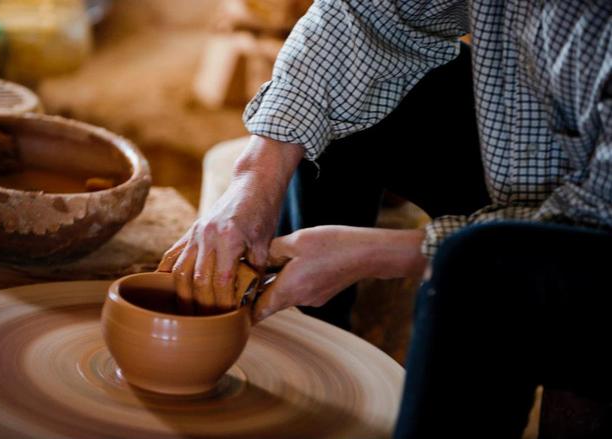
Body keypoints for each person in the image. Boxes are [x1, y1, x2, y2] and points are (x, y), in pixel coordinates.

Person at [159, 1, 612, 436]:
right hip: (534, 131)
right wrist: (253, 177)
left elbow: (597, 212)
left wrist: (374, 254)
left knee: (476, 271)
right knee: (346, 100)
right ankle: (309, 360)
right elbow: (364, 15)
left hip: (598, 224)